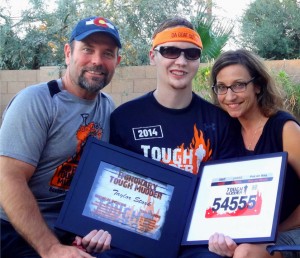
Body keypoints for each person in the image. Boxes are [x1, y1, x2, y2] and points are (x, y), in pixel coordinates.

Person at [107, 17, 238, 258]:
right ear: (152, 55)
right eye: (170, 51)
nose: (181, 61)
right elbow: (111, 189)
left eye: (191, 54)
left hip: (198, 242)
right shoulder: (124, 118)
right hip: (137, 237)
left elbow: (227, 192)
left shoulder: (220, 121)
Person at [0, 16, 122, 257]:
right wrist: (50, 248)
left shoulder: (109, 108)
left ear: (117, 61)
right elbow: (8, 178)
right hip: (17, 230)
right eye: (88, 49)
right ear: (68, 53)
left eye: (107, 53)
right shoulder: (37, 101)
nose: (97, 61)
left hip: (72, 229)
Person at [208, 49, 300, 258]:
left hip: (291, 231)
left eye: (239, 85)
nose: (230, 96)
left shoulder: (285, 129)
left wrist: (277, 230)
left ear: (257, 86)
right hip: (250, 235)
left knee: (245, 253)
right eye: (222, 87)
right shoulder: (226, 132)